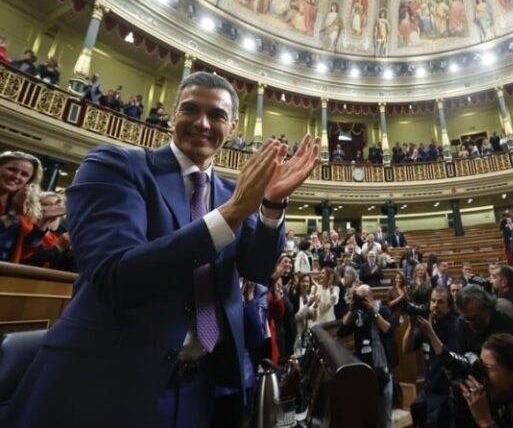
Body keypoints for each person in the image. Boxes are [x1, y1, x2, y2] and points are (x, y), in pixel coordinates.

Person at [4, 72, 320, 427]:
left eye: (216, 115)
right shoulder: (114, 166)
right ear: (173, 115)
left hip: (199, 387)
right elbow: (116, 275)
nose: (202, 123)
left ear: (232, 128)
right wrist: (231, 214)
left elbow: (256, 269)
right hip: (103, 383)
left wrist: (272, 205)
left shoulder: (234, 192)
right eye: (191, 109)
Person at [338, 284, 395, 428]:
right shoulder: (356, 313)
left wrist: (372, 312)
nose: (360, 300)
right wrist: (351, 310)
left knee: (386, 413)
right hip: (366, 369)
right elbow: (342, 332)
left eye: (362, 297)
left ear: (370, 297)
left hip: (384, 367)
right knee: (369, 412)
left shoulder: (382, 309)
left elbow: (389, 330)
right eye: (357, 296)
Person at [402, 286, 459, 427]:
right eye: (433, 301)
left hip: (446, 392)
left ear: (449, 306)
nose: (435, 305)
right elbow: (406, 349)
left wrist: (430, 332)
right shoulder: (429, 322)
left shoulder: (456, 325)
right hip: (429, 389)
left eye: (440, 302)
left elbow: (448, 358)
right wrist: (411, 326)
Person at [0, 151, 58, 264]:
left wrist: (42, 223)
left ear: (29, 181)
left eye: (24, 174)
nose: (17, 176)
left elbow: (27, 250)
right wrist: (12, 215)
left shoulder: (23, 205)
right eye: (12, 169)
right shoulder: (17, 208)